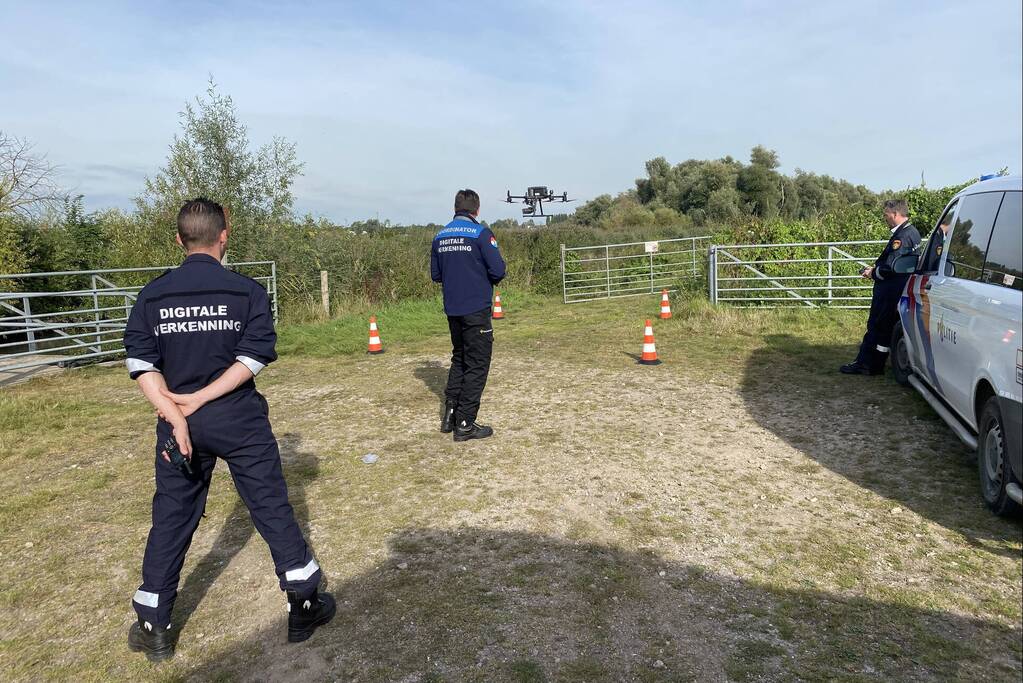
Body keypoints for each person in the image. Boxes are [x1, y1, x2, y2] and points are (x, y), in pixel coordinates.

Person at [123, 198, 334, 661]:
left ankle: (152, 621)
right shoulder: (246, 292)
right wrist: (198, 401)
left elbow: (142, 364)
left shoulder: (152, 295)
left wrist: (177, 412)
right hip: (239, 419)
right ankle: (304, 601)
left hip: (176, 423)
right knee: (271, 506)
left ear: (179, 240)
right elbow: (252, 358)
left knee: (172, 517)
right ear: (225, 235)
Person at [430, 188, 506, 441]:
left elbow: (436, 275)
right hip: (476, 309)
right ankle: (465, 422)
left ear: (455, 208)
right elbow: (498, 270)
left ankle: (450, 414)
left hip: (453, 309)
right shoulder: (481, 234)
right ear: (477, 210)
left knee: (460, 358)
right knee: (478, 364)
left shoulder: (440, 236)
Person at [840, 199, 921, 375]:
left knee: (876, 326)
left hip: (889, 289)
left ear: (895, 214)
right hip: (899, 287)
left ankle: (865, 364)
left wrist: (872, 273)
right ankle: (876, 364)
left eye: (886, 215)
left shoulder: (901, 237)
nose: (885, 218)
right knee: (885, 329)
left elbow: (891, 267)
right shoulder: (913, 232)